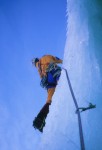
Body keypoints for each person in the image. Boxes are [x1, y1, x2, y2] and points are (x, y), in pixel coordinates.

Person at [32, 55, 63, 132]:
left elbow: (42, 78)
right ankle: (41, 119)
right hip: (51, 76)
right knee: (50, 99)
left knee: (49, 100)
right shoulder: (41, 63)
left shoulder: (41, 64)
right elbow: (55, 59)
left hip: (50, 78)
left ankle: (40, 119)